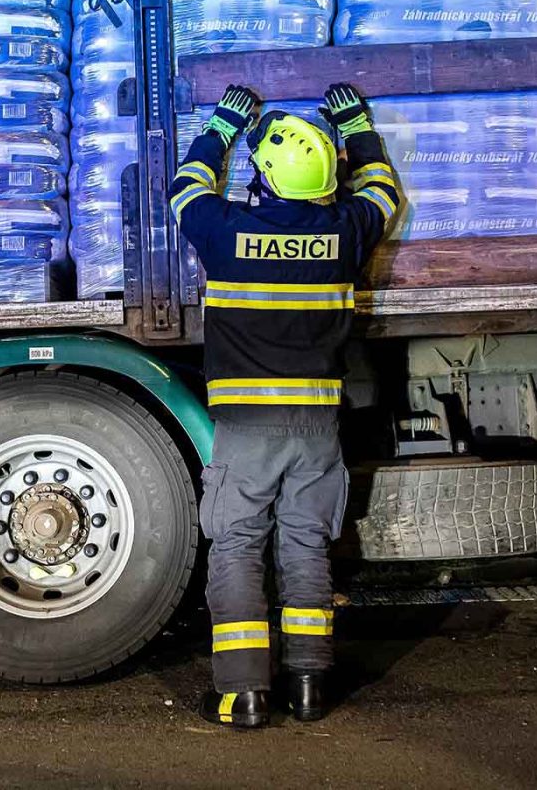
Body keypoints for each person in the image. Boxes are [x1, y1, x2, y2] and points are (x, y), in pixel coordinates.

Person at [169, 83, 401, 728]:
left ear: (264, 179)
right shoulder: (344, 231)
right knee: (305, 546)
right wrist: (356, 121)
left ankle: (242, 694)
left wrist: (222, 123)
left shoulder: (227, 231)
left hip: (246, 427)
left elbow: (187, 187)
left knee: (238, 546)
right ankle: (309, 686)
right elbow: (381, 190)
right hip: (317, 428)